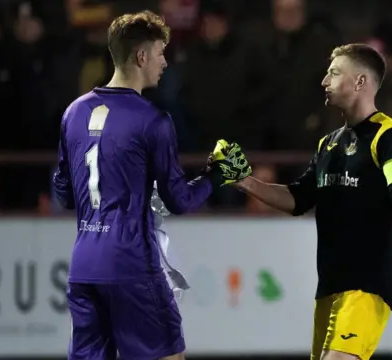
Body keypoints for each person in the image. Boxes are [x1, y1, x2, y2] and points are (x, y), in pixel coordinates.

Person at [52, 10, 251, 360]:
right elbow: (180, 200)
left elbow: (64, 193)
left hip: (84, 268)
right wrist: (218, 174)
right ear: (141, 56)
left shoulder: (74, 112)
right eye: (160, 53)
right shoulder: (153, 120)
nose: (164, 62)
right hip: (132, 267)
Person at [233, 43, 392, 360]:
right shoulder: (329, 143)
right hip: (329, 287)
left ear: (360, 82)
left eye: (334, 72)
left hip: (367, 286)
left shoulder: (390, 138)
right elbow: (298, 198)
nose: (325, 80)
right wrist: (244, 180)